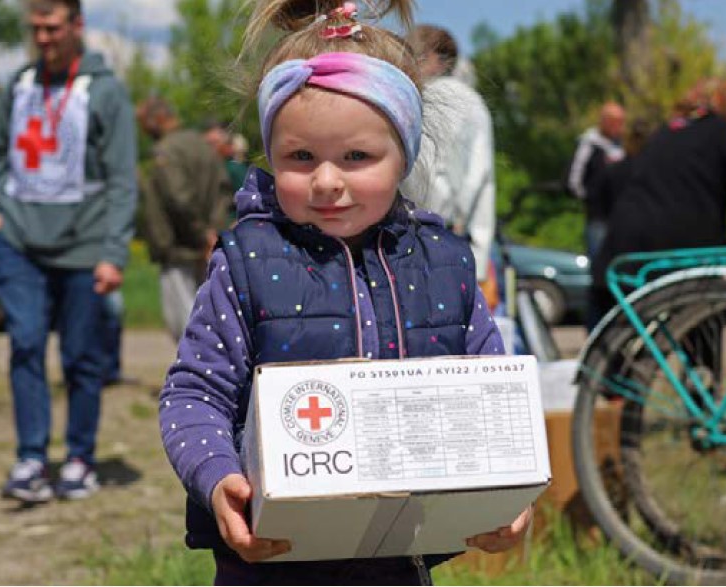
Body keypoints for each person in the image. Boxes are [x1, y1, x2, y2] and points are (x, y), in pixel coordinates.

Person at [158, 1, 532, 583]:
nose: (328, 181)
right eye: (300, 157)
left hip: (399, 560)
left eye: (357, 157)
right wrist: (216, 478)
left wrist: (506, 489)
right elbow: (194, 394)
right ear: (269, 153)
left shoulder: (445, 265)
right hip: (272, 559)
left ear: (403, 154)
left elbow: (489, 398)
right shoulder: (246, 264)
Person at [0, 0, 137, 503]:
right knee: (25, 343)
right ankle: (31, 458)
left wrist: (113, 253)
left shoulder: (105, 91)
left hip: (84, 247)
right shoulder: (20, 85)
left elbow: (121, 180)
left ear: (77, 25)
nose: (43, 38)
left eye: (51, 28)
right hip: (20, 242)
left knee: (80, 358)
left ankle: (79, 459)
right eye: (35, 29)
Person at [590, 79, 726, 320]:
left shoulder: (665, 131)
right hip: (683, 246)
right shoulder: (717, 130)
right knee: (706, 320)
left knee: (621, 333)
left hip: (624, 246)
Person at [401, 24, 497, 296]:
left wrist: (455, 217)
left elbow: (462, 173)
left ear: (439, 58)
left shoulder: (438, 97)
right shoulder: (470, 100)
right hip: (457, 237)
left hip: (439, 234)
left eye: (416, 54)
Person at [136, 96, 230, 343]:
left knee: (186, 328)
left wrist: (203, 235)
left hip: (180, 248)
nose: (143, 131)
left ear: (158, 119)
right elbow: (224, 191)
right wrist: (215, 233)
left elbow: (179, 198)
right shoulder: (202, 145)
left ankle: (196, 379)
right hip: (206, 245)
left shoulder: (166, 150)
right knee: (208, 318)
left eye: (143, 123)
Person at [582, 117, 652, 330]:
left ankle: (597, 336)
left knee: (602, 290)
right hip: (640, 240)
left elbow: (593, 196)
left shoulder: (615, 168)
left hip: (612, 235)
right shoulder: (652, 173)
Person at [567, 101, 626, 263]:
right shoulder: (589, 144)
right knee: (599, 262)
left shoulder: (620, 146)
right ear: (605, 121)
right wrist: (589, 199)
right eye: (616, 122)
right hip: (598, 218)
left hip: (619, 216)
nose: (620, 127)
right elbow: (574, 179)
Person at [203, 120, 250, 193]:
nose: (212, 148)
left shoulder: (234, 169)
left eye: (215, 143)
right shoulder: (207, 168)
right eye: (209, 144)